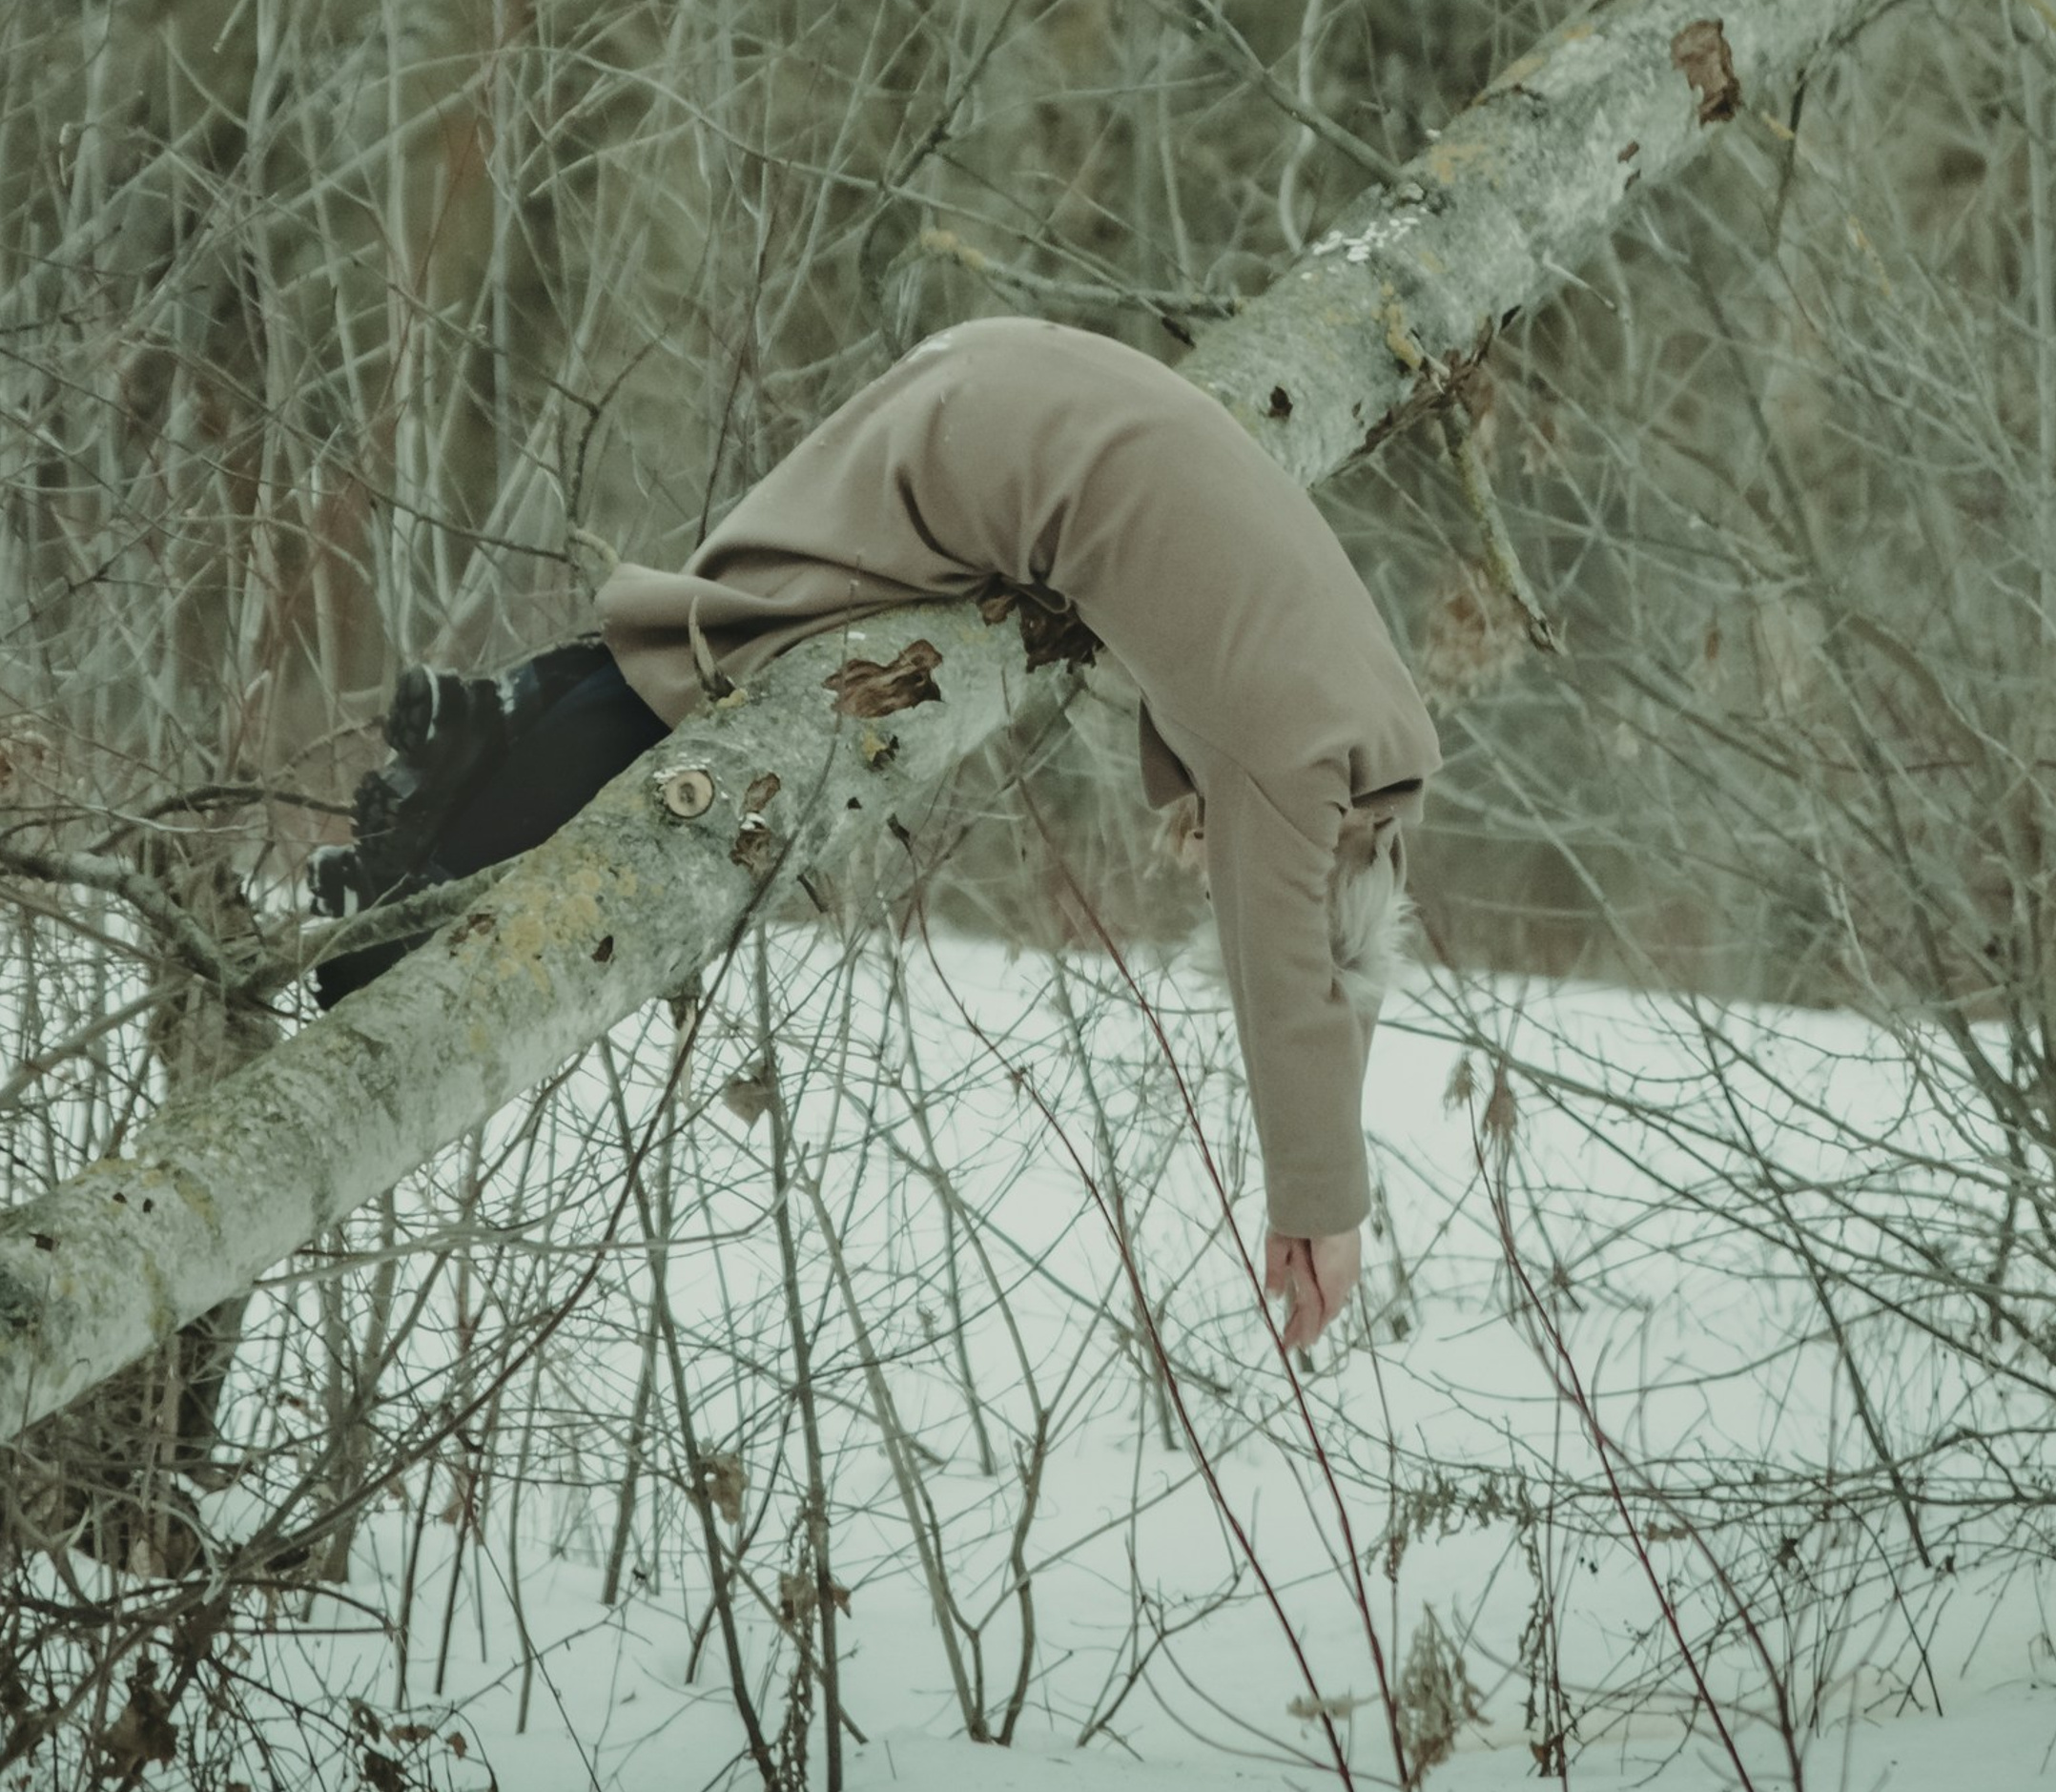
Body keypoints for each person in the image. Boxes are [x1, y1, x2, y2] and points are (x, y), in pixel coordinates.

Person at [316, 316, 1439, 1350]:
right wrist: (1322, 1214)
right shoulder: (1292, 769)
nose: (1203, 868)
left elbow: (1344, 938)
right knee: (735, 659)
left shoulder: (1381, 741)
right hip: (999, 444)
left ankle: (489, 722)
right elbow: (1289, 973)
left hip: (1028, 373)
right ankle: (411, 909)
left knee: (752, 595)